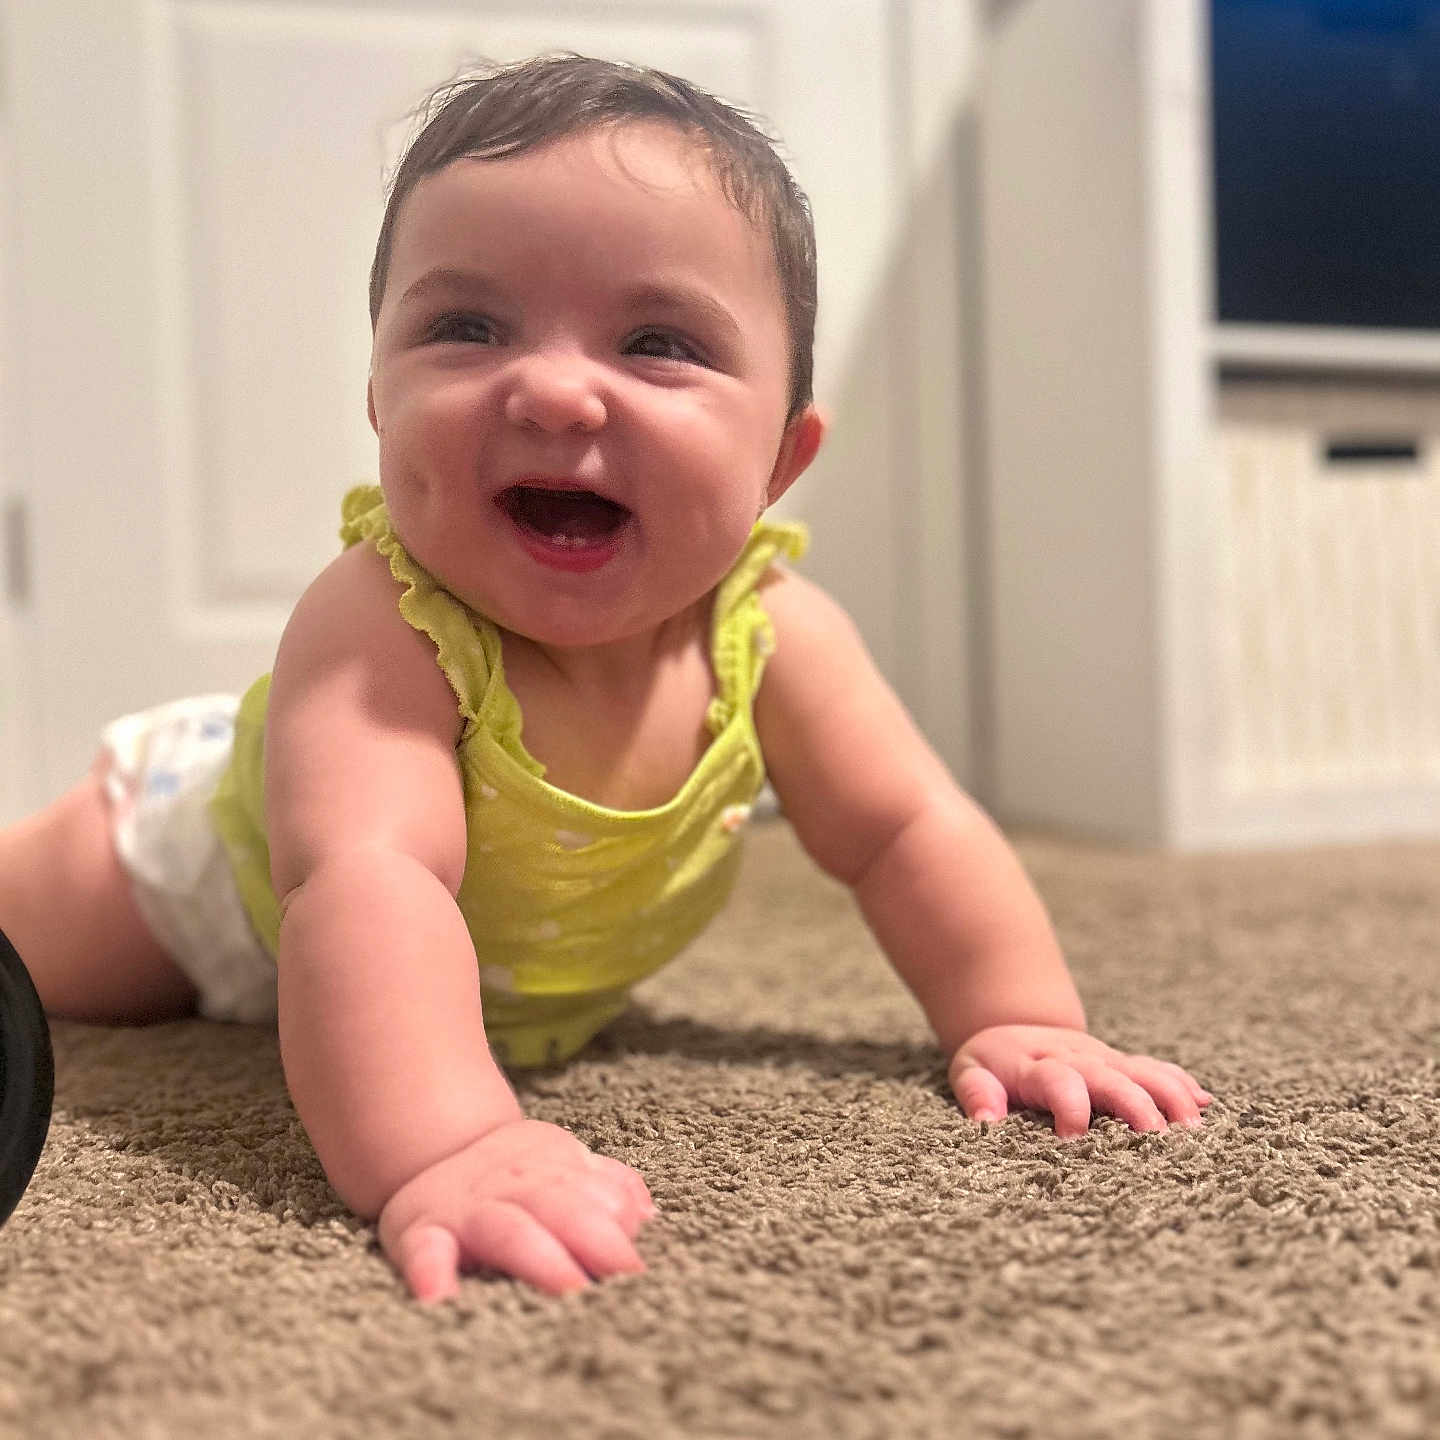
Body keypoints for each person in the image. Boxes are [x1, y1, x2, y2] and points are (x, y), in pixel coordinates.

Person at [0, 54, 1212, 1303]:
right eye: (465, 327)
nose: (554, 387)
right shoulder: (382, 625)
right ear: (379, 401)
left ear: (782, 461)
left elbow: (908, 831)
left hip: (472, 955)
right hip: (203, 869)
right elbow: (370, 882)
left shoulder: (776, 635)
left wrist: (1018, 1013)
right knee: (31, 946)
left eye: (657, 342)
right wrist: (451, 1141)